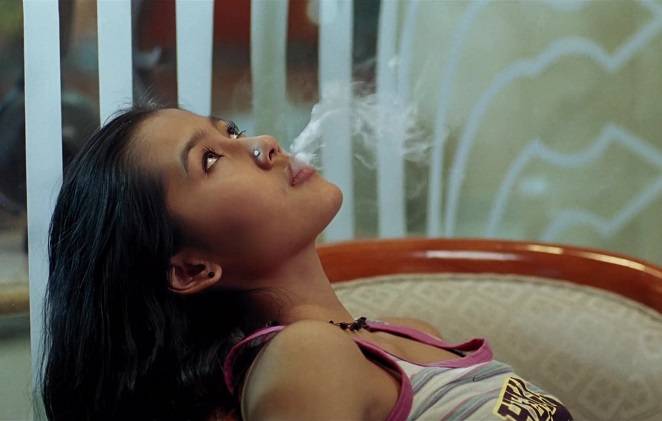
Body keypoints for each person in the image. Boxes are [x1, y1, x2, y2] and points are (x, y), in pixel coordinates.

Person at [42, 100, 572, 421]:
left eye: (231, 130)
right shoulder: (306, 356)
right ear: (191, 269)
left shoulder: (412, 334)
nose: (263, 144)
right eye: (210, 159)